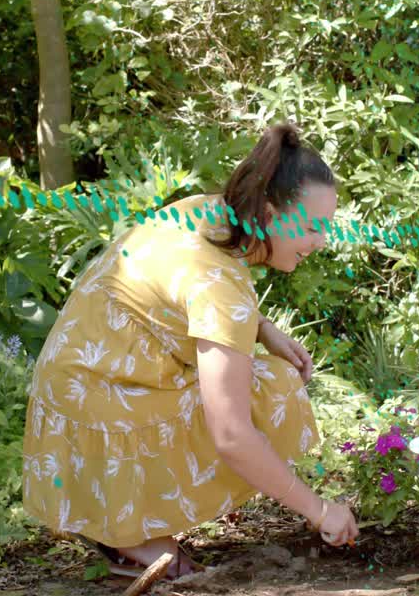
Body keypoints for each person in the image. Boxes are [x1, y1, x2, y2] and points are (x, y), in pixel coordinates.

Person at [21, 123, 360, 579]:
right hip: (92, 422)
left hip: (68, 400)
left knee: (260, 379)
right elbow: (232, 435)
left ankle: (120, 517)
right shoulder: (223, 288)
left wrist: (261, 328)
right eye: (314, 227)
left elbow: (175, 290)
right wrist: (321, 511)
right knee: (273, 391)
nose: (321, 241)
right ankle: (126, 531)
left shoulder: (205, 212)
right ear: (268, 210)